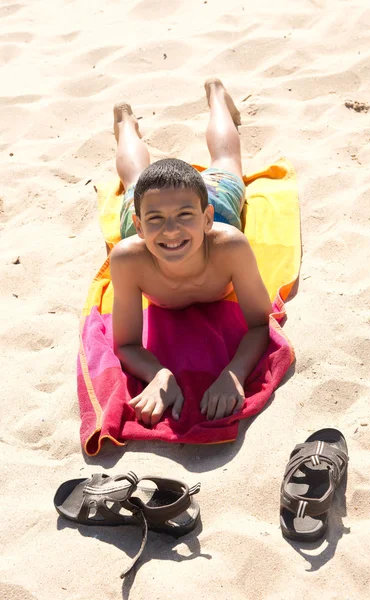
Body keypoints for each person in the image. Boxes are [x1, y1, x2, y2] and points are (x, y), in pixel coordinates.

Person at [110, 78, 272, 426]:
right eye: (155, 221)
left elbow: (260, 325)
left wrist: (234, 374)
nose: (171, 231)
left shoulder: (229, 244)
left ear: (205, 219)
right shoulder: (129, 257)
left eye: (185, 218)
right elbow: (124, 345)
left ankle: (216, 95)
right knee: (136, 180)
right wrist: (158, 374)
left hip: (215, 203)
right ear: (139, 227)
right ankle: (124, 123)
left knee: (227, 162)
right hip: (154, 208)